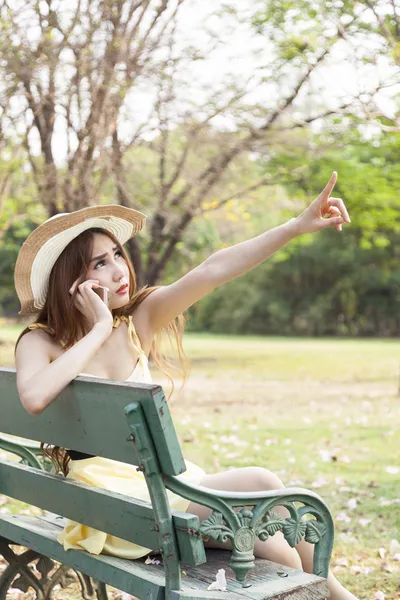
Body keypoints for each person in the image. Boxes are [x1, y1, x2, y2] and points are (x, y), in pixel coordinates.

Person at [14, 172, 357, 600]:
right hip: (122, 508)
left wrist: (293, 226)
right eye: (100, 263)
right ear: (71, 281)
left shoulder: (137, 322)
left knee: (281, 557)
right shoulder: (41, 340)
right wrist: (99, 327)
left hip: (154, 500)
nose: (119, 269)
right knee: (261, 482)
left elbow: (213, 269)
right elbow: (33, 397)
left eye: (117, 254)